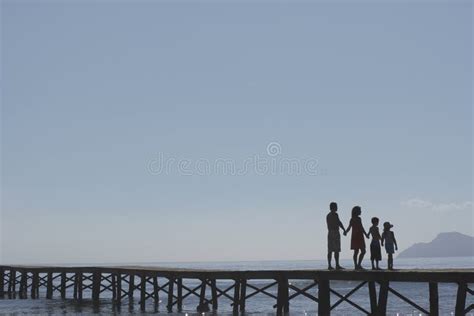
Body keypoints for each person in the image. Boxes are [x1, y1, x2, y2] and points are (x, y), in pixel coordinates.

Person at [326, 202, 346, 270]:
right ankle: (336, 265)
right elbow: (339, 222)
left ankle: (330, 265)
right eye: (336, 206)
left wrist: (343, 229)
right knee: (335, 250)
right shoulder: (335, 215)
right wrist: (344, 229)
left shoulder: (328, 215)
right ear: (334, 207)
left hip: (331, 232)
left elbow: (338, 222)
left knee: (331, 250)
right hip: (334, 232)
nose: (337, 208)